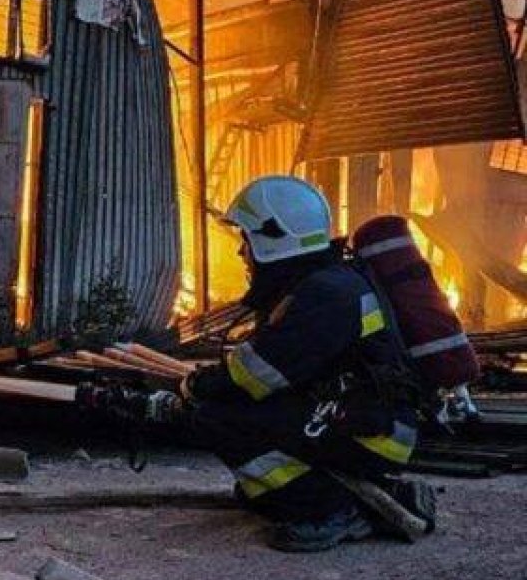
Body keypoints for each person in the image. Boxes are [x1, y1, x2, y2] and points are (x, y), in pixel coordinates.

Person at [138, 176, 435, 552]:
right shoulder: (327, 281)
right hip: (365, 416)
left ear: (270, 238)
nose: (241, 253)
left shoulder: (323, 295)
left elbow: (256, 377)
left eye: (246, 240)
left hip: (374, 432)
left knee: (219, 417)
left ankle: (329, 509)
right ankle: (371, 494)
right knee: (258, 472)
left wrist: (196, 386)